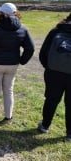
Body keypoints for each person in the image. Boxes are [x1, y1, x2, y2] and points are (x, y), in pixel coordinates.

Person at [0, 3, 35, 123]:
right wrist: (22, 60)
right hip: (12, 64)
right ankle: (8, 116)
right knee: (9, 90)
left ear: (2, 14)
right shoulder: (23, 28)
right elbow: (30, 48)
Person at [38, 13, 71, 142]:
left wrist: (49, 67)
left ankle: (45, 125)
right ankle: (69, 133)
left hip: (54, 72)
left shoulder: (56, 31)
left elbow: (43, 53)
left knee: (51, 99)